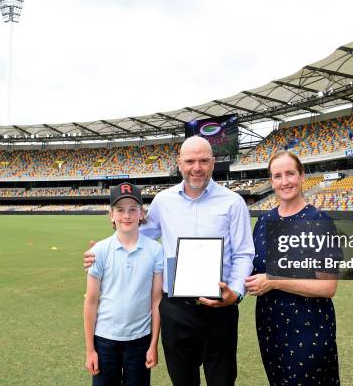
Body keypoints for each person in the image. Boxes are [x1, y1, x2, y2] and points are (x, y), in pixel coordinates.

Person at [85, 136, 254, 386]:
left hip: (219, 307)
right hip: (176, 310)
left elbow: (243, 253)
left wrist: (236, 293)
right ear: (179, 163)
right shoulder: (164, 201)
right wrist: (102, 249)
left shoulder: (233, 202)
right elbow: (136, 233)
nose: (196, 167)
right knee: (182, 380)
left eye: (203, 161)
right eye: (190, 161)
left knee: (222, 379)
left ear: (213, 163)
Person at [244, 151, 342, 385]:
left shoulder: (319, 221)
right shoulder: (264, 221)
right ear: (271, 182)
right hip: (270, 325)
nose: (284, 181)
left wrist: (274, 280)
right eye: (277, 176)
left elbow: (328, 287)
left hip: (308, 326)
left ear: (302, 176)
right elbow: (253, 268)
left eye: (290, 173)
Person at [83, 182, 163, 386]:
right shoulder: (99, 250)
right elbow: (91, 302)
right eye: (120, 210)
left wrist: (153, 344)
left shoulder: (155, 250)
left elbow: (156, 301)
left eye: (132, 209)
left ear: (141, 214)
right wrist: (90, 349)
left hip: (140, 339)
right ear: (111, 215)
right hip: (105, 339)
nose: (126, 215)